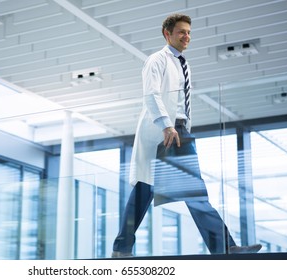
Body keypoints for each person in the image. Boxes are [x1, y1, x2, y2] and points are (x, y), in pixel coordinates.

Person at [111, 13, 262, 257]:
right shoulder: (156, 60)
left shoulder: (183, 63)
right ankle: (226, 248)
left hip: (178, 131)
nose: (187, 36)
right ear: (167, 34)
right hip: (163, 131)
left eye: (189, 32)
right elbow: (151, 95)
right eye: (182, 32)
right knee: (157, 190)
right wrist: (166, 125)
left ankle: (121, 248)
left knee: (165, 191)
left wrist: (179, 128)